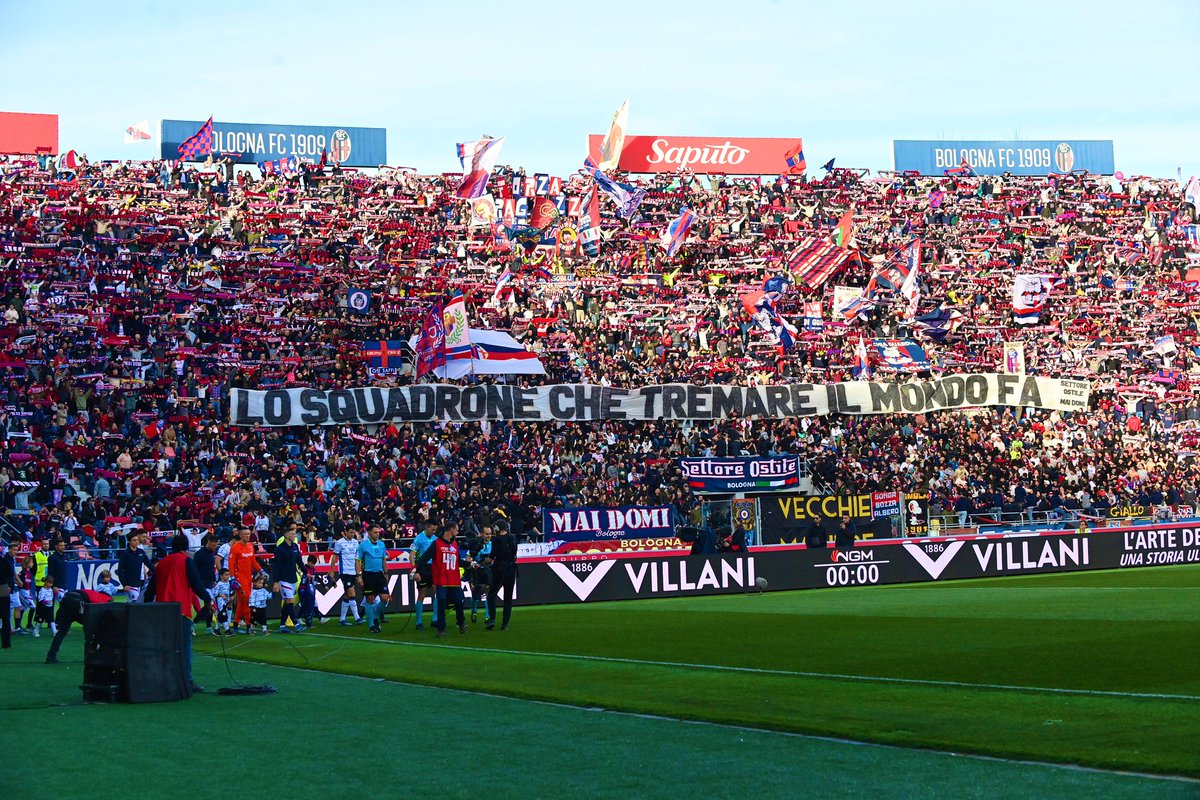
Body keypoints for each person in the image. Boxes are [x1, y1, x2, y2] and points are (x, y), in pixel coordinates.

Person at [143, 533, 212, 694]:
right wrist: (208, 599)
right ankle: (186, 681)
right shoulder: (186, 560)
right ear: (186, 548)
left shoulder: (162, 563)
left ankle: (163, 678)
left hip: (162, 610)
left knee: (165, 647)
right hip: (181, 610)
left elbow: (151, 589)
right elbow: (196, 583)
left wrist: (146, 604)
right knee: (185, 647)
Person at [421, 521, 466, 637]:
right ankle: (441, 629)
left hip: (454, 581)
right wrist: (417, 571)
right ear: (450, 530)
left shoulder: (455, 544)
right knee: (441, 603)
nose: (458, 532)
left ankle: (461, 623)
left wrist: (469, 564)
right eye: (456, 529)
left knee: (459, 603)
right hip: (441, 580)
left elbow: (459, 561)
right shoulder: (437, 543)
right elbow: (425, 557)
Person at [45, 587, 112, 664]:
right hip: (77, 601)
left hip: (66, 599)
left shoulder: (94, 594)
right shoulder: (106, 600)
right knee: (90, 628)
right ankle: (89, 657)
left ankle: (50, 657)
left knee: (62, 631)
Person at [270, 526, 306, 633]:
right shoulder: (279, 549)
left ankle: (282, 626)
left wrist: (306, 572)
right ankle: (296, 624)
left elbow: (299, 561)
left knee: (287, 602)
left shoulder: (295, 547)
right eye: (292, 534)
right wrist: (276, 581)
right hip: (283, 579)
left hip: (293, 578)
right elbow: (276, 566)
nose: (294, 536)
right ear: (286, 535)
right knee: (290, 600)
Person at [227, 527, 263, 635]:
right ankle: (248, 626)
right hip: (239, 579)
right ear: (241, 535)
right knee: (246, 602)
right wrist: (233, 578)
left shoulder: (250, 546)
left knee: (242, 603)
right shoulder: (235, 547)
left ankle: (236, 625)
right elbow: (231, 564)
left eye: (249, 534)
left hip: (249, 579)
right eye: (245, 534)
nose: (248, 536)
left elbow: (253, 561)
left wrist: (261, 570)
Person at [486, 518, 518, 631]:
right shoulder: (513, 538)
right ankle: (505, 624)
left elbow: (491, 557)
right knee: (508, 598)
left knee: (491, 595)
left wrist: (482, 563)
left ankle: (492, 620)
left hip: (500, 569)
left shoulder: (497, 540)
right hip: (512, 569)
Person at [356, 525, 390, 633]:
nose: (377, 534)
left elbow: (383, 559)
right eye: (375, 532)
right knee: (369, 599)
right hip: (368, 574)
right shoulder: (363, 545)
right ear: (369, 533)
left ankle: (375, 615)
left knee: (385, 598)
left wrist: (386, 572)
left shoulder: (382, 544)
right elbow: (358, 560)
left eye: (378, 532)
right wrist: (359, 575)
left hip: (379, 574)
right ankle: (371, 625)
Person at [409, 519, 438, 630]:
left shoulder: (435, 539)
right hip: (422, 568)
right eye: (432, 529)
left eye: (435, 530)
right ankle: (419, 621)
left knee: (437, 592)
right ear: (426, 528)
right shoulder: (419, 538)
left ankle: (435, 618)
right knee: (422, 594)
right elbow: (412, 555)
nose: (434, 532)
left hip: (433, 568)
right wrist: (414, 570)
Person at [332, 527, 363, 626]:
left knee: (347, 595)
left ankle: (342, 619)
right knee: (352, 593)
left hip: (354, 571)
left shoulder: (355, 542)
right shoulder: (339, 542)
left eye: (354, 532)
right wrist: (332, 570)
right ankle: (357, 618)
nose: (352, 534)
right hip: (344, 572)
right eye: (350, 532)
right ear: (345, 532)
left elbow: (357, 558)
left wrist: (358, 572)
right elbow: (334, 557)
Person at [465, 524, 493, 625]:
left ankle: (487, 615)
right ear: (481, 534)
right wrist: (474, 563)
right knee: (475, 594)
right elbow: (468, 558)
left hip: (487, 571)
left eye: (490, 534)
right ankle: (474, 610)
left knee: (487, 592)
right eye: (486, 534)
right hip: (475, 572)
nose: (489, 536)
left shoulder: (492, 545)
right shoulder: (475, 544)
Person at [194, 534, 219, 634]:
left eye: (216, 545)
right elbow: (194, 568)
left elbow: (211, 568)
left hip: (209, 583)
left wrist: (213, 579)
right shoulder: (199, 554)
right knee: (210, 604)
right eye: (213, 545)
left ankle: (208, 627)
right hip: (202, 583)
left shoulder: (211, 553)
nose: (215, 547)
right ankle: (194, 624)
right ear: (208, 542)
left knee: (208, 606)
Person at [118, 533, 153, 602]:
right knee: (136, 602)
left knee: (131, 602)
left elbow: (149, 564)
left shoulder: (141, 552)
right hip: (130, 584)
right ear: (129, 541)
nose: (136, 542)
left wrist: (158, 572)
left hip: (139, 582)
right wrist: (124, 584)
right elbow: (120, 570)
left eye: (137, 540)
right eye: (134, 540)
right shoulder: (125, 554)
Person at [297, 554, 320, 627]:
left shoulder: (314, 570)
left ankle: (309, 623)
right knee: (306, 606)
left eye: (314, 564)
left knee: (309, 606)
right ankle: (304, 621)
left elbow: (317, 577)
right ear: (308, 562)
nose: (313, 565)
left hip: (309, 589)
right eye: (312, 563)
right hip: (302, 588)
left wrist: (324, 585)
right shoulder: (303, 568)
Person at [0, 544, 14, 649]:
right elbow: (10, 574)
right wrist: (9, 586)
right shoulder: (5, 561)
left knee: (5, 618)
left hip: (3, 588)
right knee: (5, 617)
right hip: (3, 588)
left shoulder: (5, 561)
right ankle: (6, 643)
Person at [213, 568, 233, 635]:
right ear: (221, 576)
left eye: (228, 575)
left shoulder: (228, 583)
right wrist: (220, 595)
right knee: (223, 615)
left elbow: (228, 591)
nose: (228, 576)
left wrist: (230, 597)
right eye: (226, 575)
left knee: (220, 616)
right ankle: (227, 630)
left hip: (226, 602)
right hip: (220, 603)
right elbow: (214, 593)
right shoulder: (219, 584)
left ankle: (216, 630)